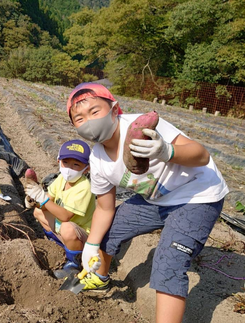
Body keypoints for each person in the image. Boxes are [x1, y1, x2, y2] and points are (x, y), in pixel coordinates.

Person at [66, 82, 229, 323]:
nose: (88, 121)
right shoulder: (98, 159)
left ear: (114, 110)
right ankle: (98, 279)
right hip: (156, 199)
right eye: (79, 118)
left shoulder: (144, 127)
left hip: (196, 194)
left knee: (168, 262)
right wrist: (91, 244)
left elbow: (202, 155)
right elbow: (104, 207)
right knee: (107, 231)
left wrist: (167, 151)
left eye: (94, 112)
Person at [24, 139, 95, 279]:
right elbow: (48, 201)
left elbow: (65, 216)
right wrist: (34, 200)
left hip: (82, 235)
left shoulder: (84, 187)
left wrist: (41, 197)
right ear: (59, 161)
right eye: (66, 163)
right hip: (64, 227)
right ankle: (58, 244)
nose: (69, 168)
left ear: (86, 168)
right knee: (38, 212)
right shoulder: (62, 179)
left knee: (67, 228)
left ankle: (74, 263)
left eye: (76, 165)